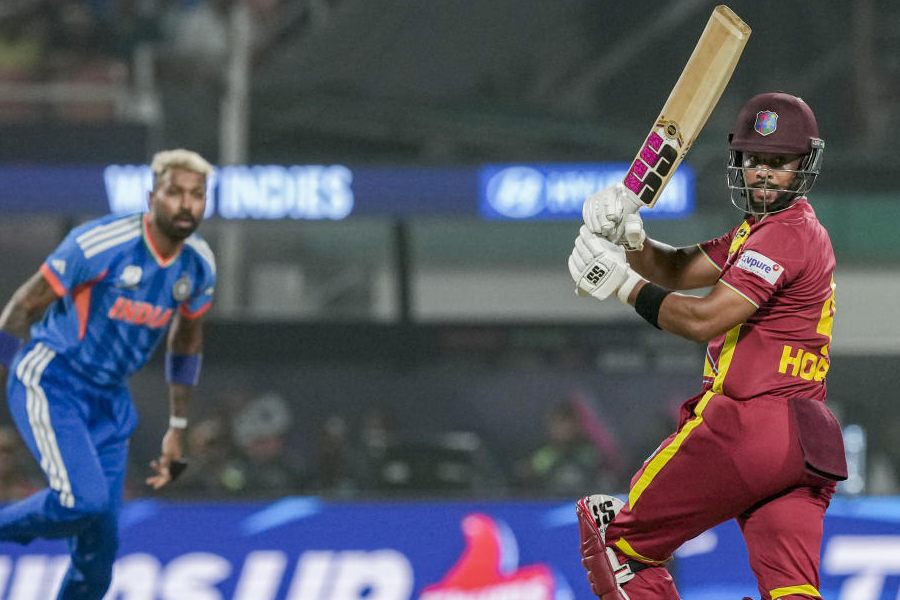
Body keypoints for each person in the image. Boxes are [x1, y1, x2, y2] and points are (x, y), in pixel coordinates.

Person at [567, 92, 845, 600]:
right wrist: (632, 241)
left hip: (752, 426)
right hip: (808, 441)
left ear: (804, 164)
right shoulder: (766, 231)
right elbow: (677, 268)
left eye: (778, 162)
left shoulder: (784, 235)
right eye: (755, 159)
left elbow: (703, 318)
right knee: (793, 591)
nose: (763, 173)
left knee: (617, 543)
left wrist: (621, 285)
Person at [0, 148, 216, 599]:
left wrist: (177, 427)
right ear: (151, 195)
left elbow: (186, 338)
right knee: (82, 501)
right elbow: (22, 308)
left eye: (197, 195)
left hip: (110, 401)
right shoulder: (99, 244)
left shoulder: (198, 264)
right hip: (53, 378)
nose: (185, 205)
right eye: (174, 192)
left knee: (99, 558)